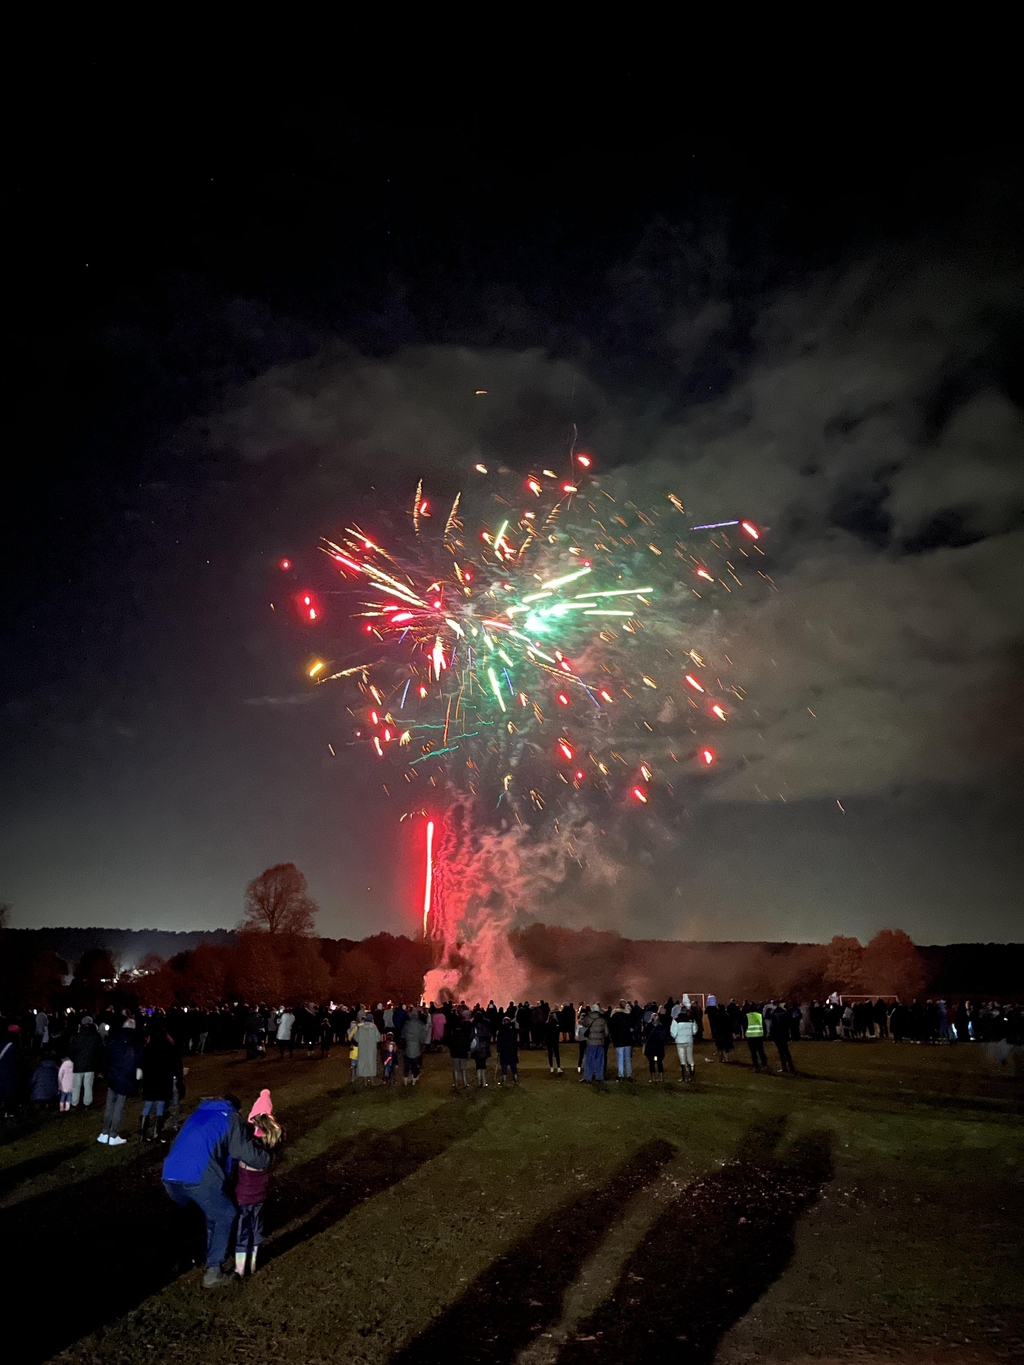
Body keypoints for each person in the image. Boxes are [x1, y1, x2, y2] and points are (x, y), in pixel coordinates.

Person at [163, 1093, 270, 1289]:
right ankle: (214, 1270)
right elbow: (241, 1150)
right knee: (225, 1215)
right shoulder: (230, 1118)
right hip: (198, 1176)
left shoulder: (197, 1114)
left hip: (170, 1173)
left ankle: (179, 1259)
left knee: (191, 1214)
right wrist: (266, 1157)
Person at [234, 1091, 282, 1278]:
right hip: (261, 1194)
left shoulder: (249, 1145)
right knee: (256, 1228)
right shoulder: (272, 1143)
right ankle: (253, 1264)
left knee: (242, 1231)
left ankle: (240, 1268)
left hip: (243, 1196)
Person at [99, 1018, 143, 1146]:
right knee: (118, 1106)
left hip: (113, 1076)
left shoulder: (114, 1039)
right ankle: (113, 1134)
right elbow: (139, 1061)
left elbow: (106, 1057)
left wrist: (107, 1073)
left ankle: (105, 1132)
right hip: (125, 1078)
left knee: (110, 1105)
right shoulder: (135, 1042)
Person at [68, 1016, 104, 1108]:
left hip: (78, 1064)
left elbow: (71, 1051)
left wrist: (73, 1060)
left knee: (76, 1085)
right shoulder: (96, 1036)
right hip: (90, 1064)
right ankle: (87, 1103)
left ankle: (74, 1102)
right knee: (88, 1085)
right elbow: (100, 1051)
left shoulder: (77, 1036)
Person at [401, 1009, 429, 1086]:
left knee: (407, 1064)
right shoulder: (420, 1024)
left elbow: (403, 1034)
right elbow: (423, 1036)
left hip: (408, 1046)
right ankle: (414, 1079)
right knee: (415, 1064)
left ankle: (405, 1079)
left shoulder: (407, 1023)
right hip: (416, 1046)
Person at [582, 1005, 609, 1082]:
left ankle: (587, 1077)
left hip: (591, 1042)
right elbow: (606, 1033)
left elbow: (584, 1024)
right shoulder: (602, 1020)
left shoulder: (588, 1017)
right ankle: (599, 1077)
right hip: (600, 1042)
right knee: (599, 1061)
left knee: (589, 1060)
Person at [354, 1010, 382, 1085]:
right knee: (371, 1062)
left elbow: (356, 1038)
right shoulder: (374, 1027)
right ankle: (372, 1079)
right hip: (371, 1048)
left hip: (362, 1048)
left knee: (363, 1061)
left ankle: (365, 1080)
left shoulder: (361, 1027)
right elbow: (378, 1038)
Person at [609, 1001, 634, 1081]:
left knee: (620, 1058)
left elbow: (612, 1028)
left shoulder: (615, 1015)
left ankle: (621, 1075)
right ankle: (629, 1075)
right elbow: (632, 1027)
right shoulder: (629, 1015)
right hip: (628, 1040)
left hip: (619, 1040)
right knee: (628, 1058)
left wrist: (613, 1038)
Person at [446, 1011, 472, 1088]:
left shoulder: (453, 1034)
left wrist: (451, 1048)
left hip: (454, 1052)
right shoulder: (464, 1033)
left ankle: (456, 1083)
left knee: (455, 1068)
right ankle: (465, 1082)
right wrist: (468, 1050)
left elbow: (449, 1041)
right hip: (463, 1052)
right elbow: (467, 1042)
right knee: (463, 1068)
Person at [670, 1009, 697, 1081]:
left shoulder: (676, 1020)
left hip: (680, 1042)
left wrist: (676, 1037)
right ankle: (692, 1076)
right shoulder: (691, 1020)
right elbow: (694, 1031)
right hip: (689, 1041)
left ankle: (684, 1076)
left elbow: (673, 1033)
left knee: (682, 1059)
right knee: (690, 1058)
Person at [769, 1002, 795, 1073]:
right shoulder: (785, 1014)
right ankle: (791, 1067)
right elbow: (789, 1024)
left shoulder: (774, 1015)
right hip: (784, 1034)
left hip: (777, 1035)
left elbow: (772, 1027)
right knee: (786, 1051)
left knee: (781, 1052)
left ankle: (784, 1067)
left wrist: (772, 1035)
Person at [745, 1004, 769, 1073]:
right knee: (761, 1051)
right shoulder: (759, 1015)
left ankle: (756, 1067)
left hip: (751, 1037)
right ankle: (764, 1065)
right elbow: (764, 1026)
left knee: (753, 1053)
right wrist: (764, 1034)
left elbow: (745, 1026)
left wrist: (745, 1035)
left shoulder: (747, 1016)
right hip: (759, 1036)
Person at [497, 1013, 520, 1086]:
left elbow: (499, 1041)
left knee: (504, 1066)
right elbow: (515, 1041)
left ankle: (504, 1080)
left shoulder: (501, 1031)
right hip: (512, 1050)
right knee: (513, 1065)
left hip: (504, 1051)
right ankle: (515, 1079)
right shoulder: (513, 1031)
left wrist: (499, 1050)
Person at [469, 1012, 491, 1088]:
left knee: (478, 1065)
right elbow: (489, 1035)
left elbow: (471, 1036)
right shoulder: (486, 1025)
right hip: (484, 1047)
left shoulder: (473, 1026)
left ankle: (479, 1082)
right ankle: (484, 1083)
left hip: (477, 1047)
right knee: (483, 1065)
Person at [644, 1014, 667, 1082]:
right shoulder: (661, 1027)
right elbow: (664, 1037)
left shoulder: (648, 1026)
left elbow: (644, 1034)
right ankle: (661, 1077)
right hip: (659, 1048)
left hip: (651, 1048)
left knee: (652, 1062)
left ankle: (653, 1078)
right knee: (659, 1062)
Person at [543, 1006, 564, 1075]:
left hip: (549, 1040)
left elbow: (545, 1033)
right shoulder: (556, 1023)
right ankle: (558, 1067)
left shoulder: (546, 1024)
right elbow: (558, 1031)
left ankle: (551, 1068)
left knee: (550, 1054)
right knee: (556, 1054)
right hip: (555, 1040)